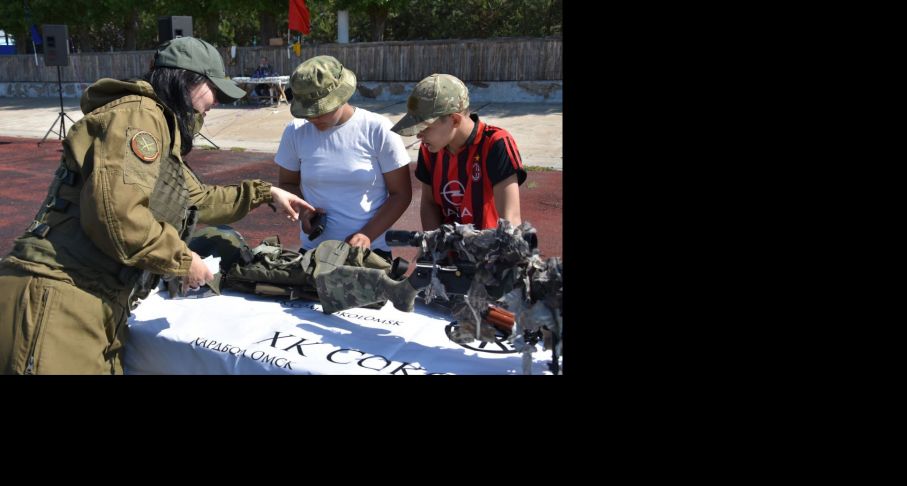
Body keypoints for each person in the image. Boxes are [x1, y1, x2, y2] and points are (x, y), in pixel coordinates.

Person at [0, 36, 314, 374]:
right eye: (213, 89)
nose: (216, 102)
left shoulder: (158, 125)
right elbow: (116, 215)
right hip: (60, 297)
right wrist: (181, 260)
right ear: (184, 81)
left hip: (92, 300)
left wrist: (265, 193)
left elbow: (196, 199)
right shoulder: (140, 116)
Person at [274, 55, 413, 260]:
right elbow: (287, 183)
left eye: (320, 111)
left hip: (369, 254)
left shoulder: (377, 129)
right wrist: (303, 211)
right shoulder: (295, 131)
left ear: (342, 96)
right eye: (307, 112)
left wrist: (366, 235)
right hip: (314, 253)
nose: (312, 118)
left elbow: (400, 194)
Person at [391, 73, 527, 231]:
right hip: (446, 245)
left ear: (455, 120)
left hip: (491, 245)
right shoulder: (430, 148)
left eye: (424, 127)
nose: (418, 135)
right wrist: (433, 243)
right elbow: (429, 203)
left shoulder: (495, 143)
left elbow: (511, 219)